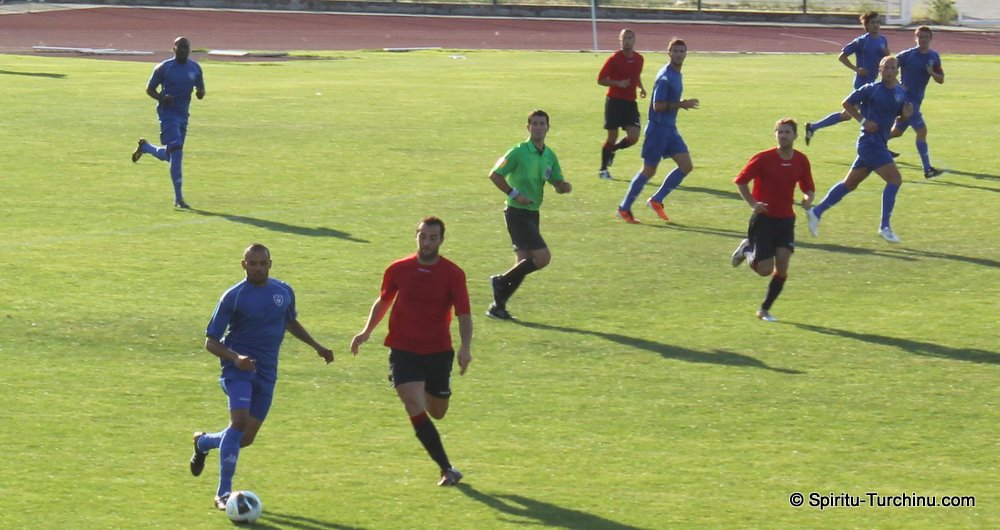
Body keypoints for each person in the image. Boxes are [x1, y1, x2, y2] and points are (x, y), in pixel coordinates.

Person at [189, 243, 334, 510]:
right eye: (252, 263)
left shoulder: (283, 291)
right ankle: (223, 494)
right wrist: (235, 358)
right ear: (243, 264)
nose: (257, 268)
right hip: (238, 371)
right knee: (238, 424)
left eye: (262, 263)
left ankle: (204, 442)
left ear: (270, 264)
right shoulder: (233, 297)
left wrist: (317, 346)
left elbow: (289, 322)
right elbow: (210, 341)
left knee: (245, 438)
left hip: (267, 372)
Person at [350, 217, 472, 487]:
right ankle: (446, 469)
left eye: (432, 237)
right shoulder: (398, 269)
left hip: (438, 351)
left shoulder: (453, 273)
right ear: (415, 236)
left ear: (441, 240)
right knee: (412, 404)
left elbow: (464, 314)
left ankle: (427, 390)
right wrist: (366, 331)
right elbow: (383, 300)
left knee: (437, 411)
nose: (427, 242)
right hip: (403, 349)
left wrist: (465, 346)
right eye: (422, 236)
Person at [807, 56, 913, 244]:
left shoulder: (900, 93)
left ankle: (816, 212)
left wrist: (905, 117)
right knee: (895, 179)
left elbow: (899, 117)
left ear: (897, 71)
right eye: (885, 67)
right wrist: (864, 121)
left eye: (892, 68)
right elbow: (846, 103)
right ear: (880, 70)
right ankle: (885, 227)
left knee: (849, 184)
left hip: (879, 144)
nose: (889, 71)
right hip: (869, 143)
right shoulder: (871, 89)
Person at [487, 109, 573, 320]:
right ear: (528, 127)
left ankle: (497, 307)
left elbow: (556, 181)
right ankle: (499, 282)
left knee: (523, 262)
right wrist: (514, 194)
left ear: (548, 128)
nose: (538, 127)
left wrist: (563, 186)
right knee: (542, 258)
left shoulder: (549, 156)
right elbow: (495, 175)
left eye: (542, 123)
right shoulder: (518, 151)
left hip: (533, 213)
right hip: (516, 213)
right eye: (534, 123)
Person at [730, 118, 815, 322]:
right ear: (775, 135)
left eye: (787, 132)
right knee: (765, 270)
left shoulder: (801, 160)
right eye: (780, 132)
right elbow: (741, 182)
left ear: (795, 136)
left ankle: (764, 310)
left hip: (786, 220)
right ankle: (747, 249)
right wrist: (753, 204)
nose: (783, 136)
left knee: (783, 265)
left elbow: (808, 187)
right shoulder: (763, 158)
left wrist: (808, 198)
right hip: (764, 220)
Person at [616, 38, 698, 224]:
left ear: (686, 54)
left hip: (670, 129)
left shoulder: (677, 74)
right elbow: (658, 106)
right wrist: (681, 104)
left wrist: (680, 103)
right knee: (649, 170)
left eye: (681, 51)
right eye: (675, 51)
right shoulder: (665, 77)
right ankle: (624, 208)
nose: (678, 54)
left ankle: (657, 199)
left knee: (686, 165)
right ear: (669, 53)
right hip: (657, 130)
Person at [131, 36, 205, 209]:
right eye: (180, 48)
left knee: (171, 155)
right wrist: (161, 98)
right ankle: (179, 199)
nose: (183, 51)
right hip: (168, 114)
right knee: (177, 151)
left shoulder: (195, 68)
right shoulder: (164, 68)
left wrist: (200, 93)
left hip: (183, 115)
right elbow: (150, 89)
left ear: (190, 50)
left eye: (186, 48)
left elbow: (201, 91)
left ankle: (146, 148)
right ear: (174, 49)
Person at [805, 12, 889, 146]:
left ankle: (813, 127)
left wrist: (886, 54)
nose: (876, 25)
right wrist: (857, 69)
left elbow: (886, 59)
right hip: (862, 83)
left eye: (878, 22)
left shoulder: (883, 39)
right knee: (872, 113)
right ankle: (879, 146)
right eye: (873, 23)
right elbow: (842, 56)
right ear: (867, 25)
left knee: (846, 115)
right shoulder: (861, 41)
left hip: (872, 82)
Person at [889, 26, 946, 179]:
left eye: (925, 37)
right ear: (915, 38)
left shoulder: (934, 56)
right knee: (922, 131)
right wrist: (898, 86)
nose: (922, 40)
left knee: (897, 132)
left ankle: (873, 142)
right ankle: (928, 169)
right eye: (920, 37)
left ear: (931, 39)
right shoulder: (908, 55)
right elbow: (887, 67)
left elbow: (941, 79)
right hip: (906, 100)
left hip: (917, 99)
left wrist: (932, 73)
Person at [597, 28, 646, 180]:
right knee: (612, 136)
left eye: (630, 38)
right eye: (625, 38)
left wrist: (641, 87)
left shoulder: (639, 59)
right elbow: (601, 79)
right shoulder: (614, 59)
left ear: (634, 40)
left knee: (634, 136)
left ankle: (613, 150)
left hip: (630, 102)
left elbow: (636, 75)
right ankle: (603, 170)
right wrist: (618, 83)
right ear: (620, 40)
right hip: (614, 101)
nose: (627, 41)